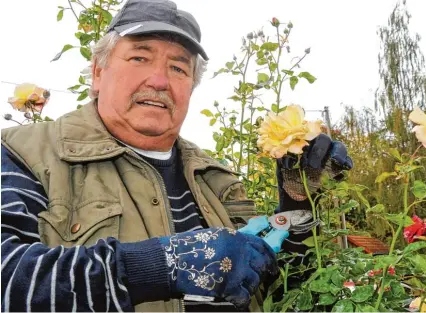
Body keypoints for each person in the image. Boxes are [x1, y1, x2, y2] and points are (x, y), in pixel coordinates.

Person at [1, 0, 352, 312]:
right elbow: (8, 277)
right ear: (98, 72)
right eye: (139, 57)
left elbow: (282, 288)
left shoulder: (217, 179)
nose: (159, 80)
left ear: (190, 87)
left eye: (178, 68)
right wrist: (160, 264)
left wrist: (298, 204)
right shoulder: (22, 152)